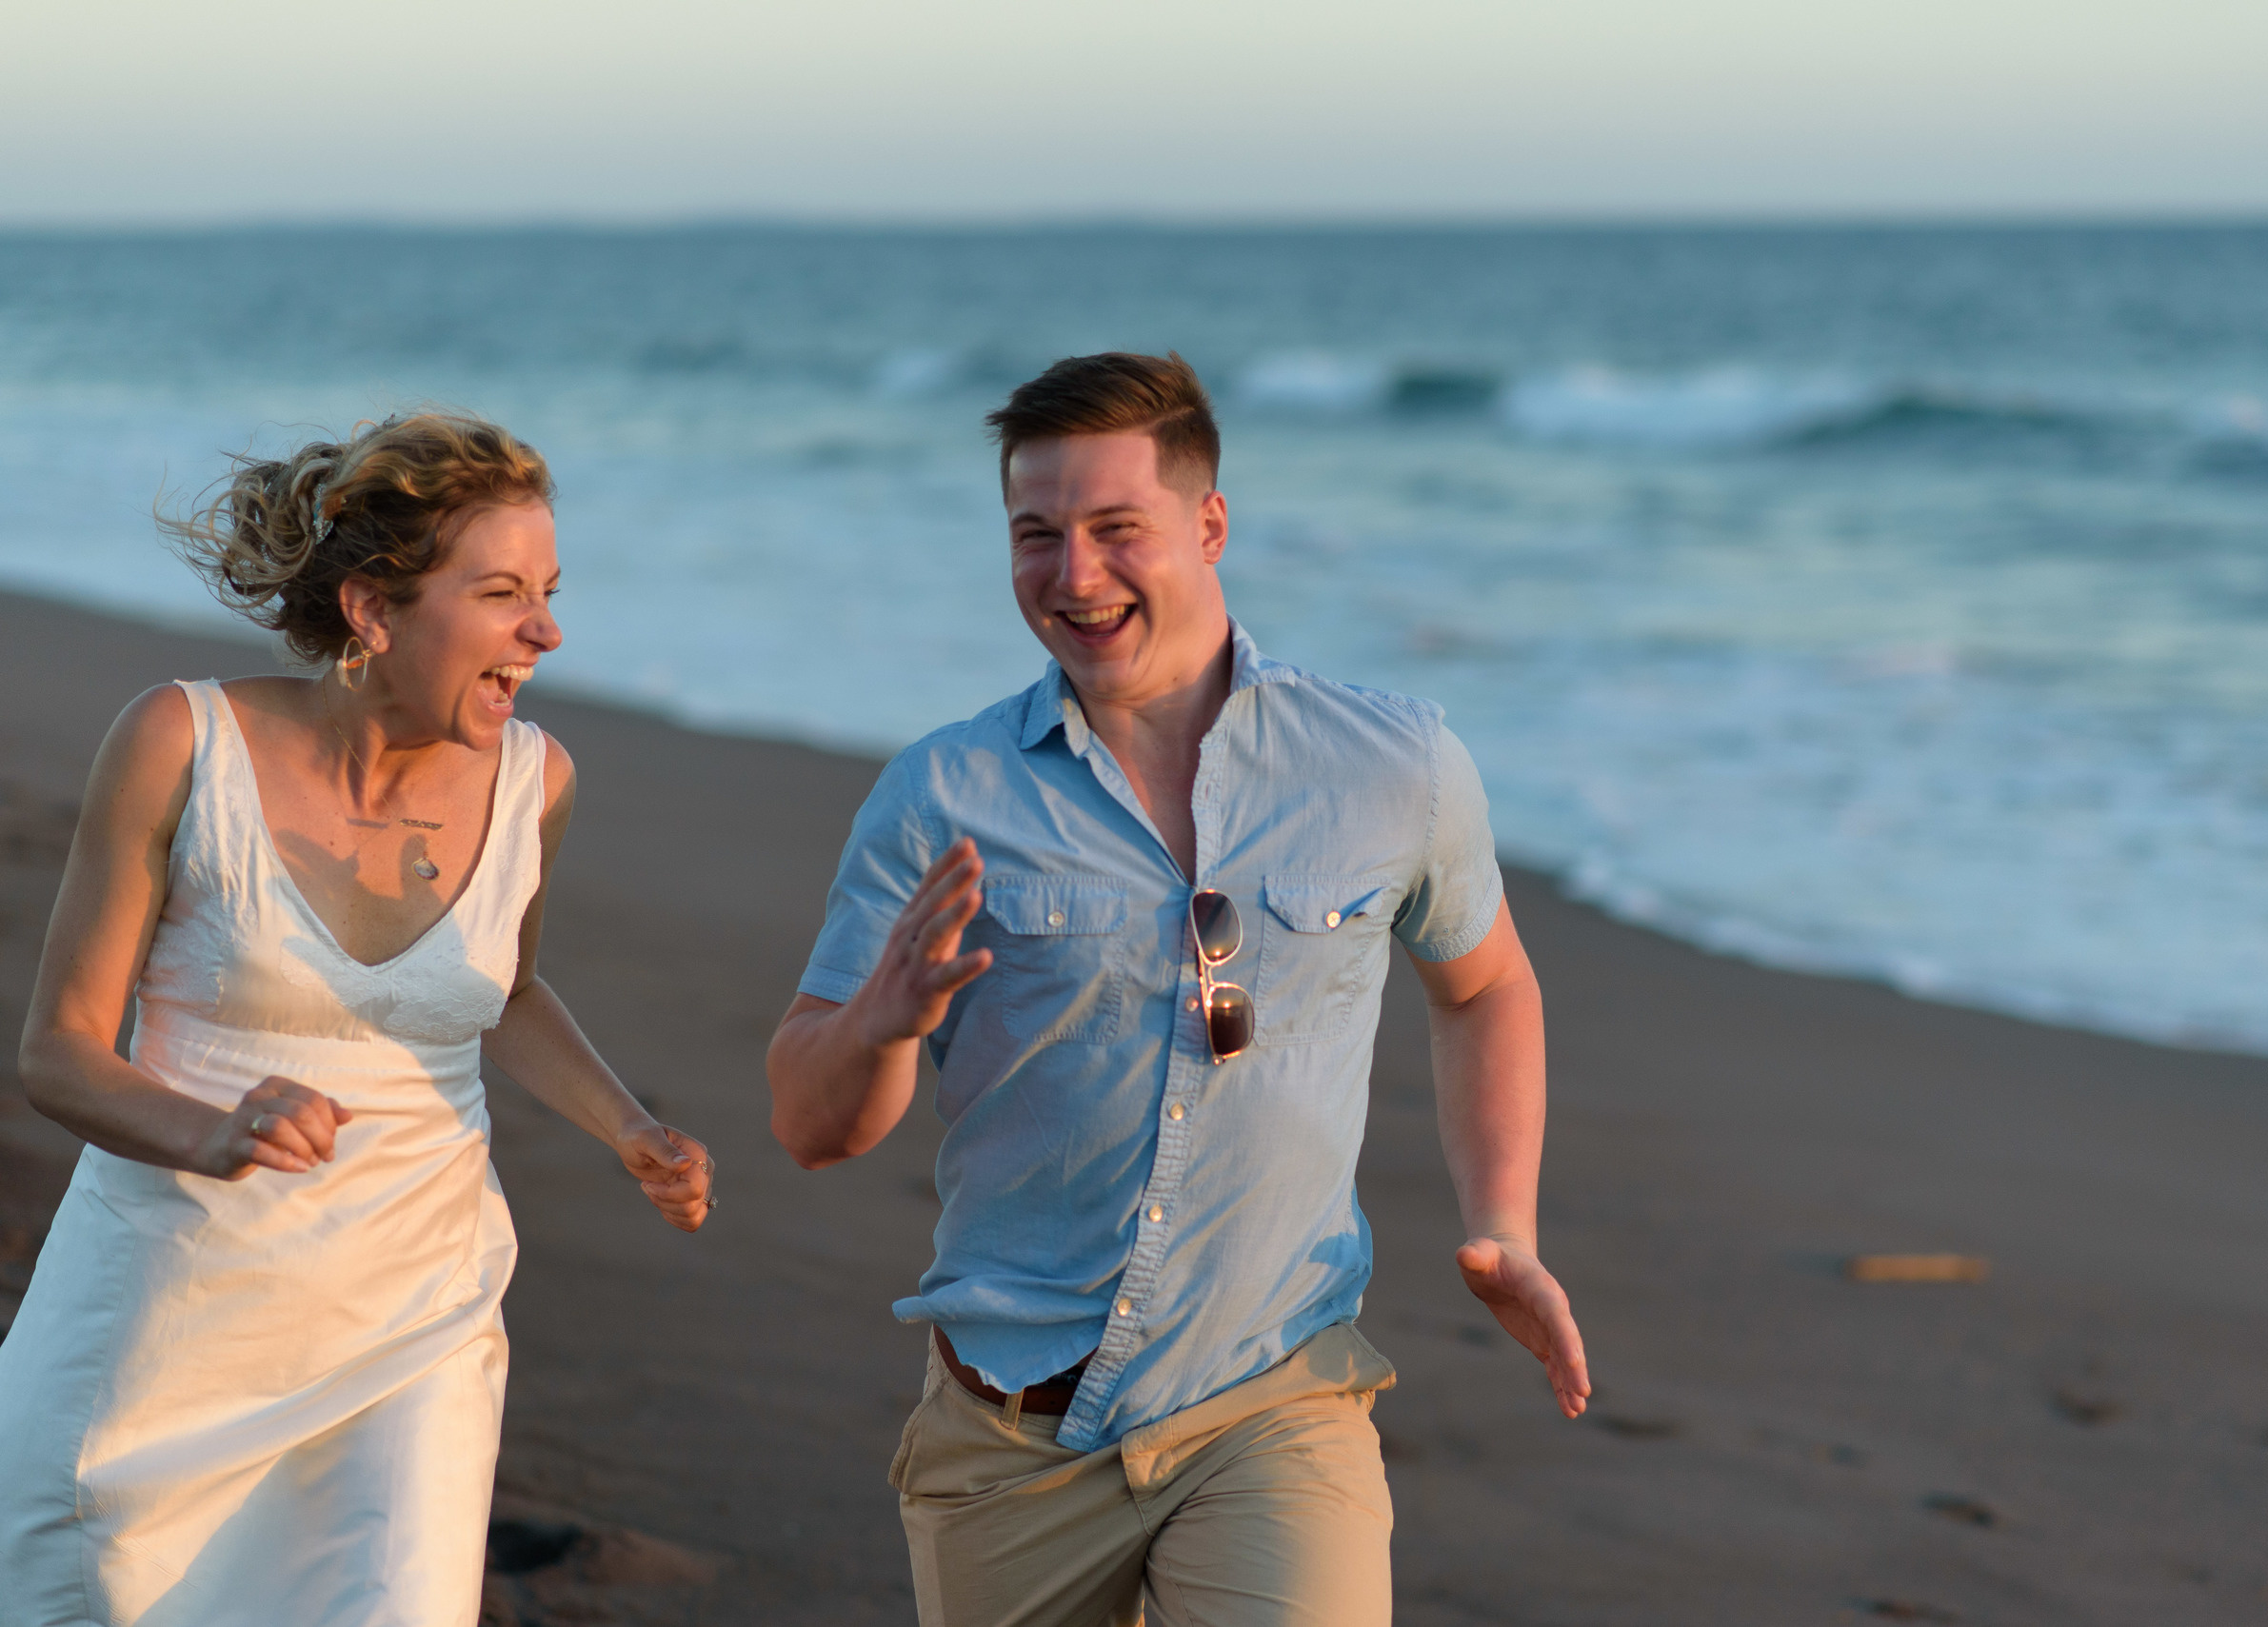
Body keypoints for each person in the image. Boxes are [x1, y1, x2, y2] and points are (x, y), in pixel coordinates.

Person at [766, 352, 1589, 1626]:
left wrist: (1509, 1226)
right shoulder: (941, 797)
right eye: (1035, 535)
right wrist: (879, 1025)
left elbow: (1485, 988)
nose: (1072, 575)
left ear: (1209, 525)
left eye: (1114, 529)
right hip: (1010, 1434)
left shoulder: (1393, 765)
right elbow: (813, 1126)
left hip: (1273, 1396)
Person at [0, 412, 715, 1627]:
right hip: (169, 1310)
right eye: (501, 593)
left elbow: (511, 990)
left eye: (548, 591)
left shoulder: (537, 779)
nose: (545, 629)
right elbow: (58, 1052)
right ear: (375, 609)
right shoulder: (181, 741)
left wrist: (628, 1124)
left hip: (411, 1317)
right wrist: (209, 1131)